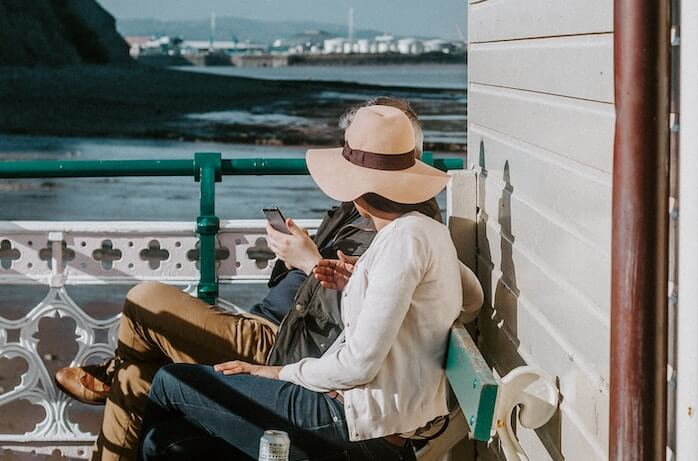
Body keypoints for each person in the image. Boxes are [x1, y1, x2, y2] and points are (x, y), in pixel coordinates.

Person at [53, 97, 444, 461]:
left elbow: (360, 343)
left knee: (146, 307)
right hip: (285, 335)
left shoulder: (401, 232)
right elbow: (459, 297)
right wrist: (319, 265)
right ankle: (116, 383)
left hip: (291, 355)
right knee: (139, 381)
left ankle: (111, 373)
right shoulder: (386, 221)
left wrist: (310, 266)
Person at [138, 105, 483, 460]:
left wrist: (275, 373)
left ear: (357, 190)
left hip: (355, 423)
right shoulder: (426, 232)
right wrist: (363, 281)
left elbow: (358, 365)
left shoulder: (402, 240)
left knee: (170, 382)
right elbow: (473, 299)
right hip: (365, 418)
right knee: (163, 443)